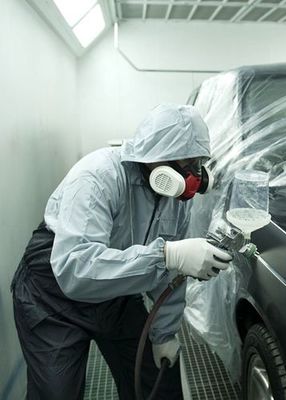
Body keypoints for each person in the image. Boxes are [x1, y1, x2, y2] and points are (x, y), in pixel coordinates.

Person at [11, 104, 232, 399]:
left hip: (116, 291)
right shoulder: (98, 176)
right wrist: (166, 255)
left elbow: (170, 274)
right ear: (157, 155)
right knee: (56, 393)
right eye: (188, 162)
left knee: (158, 381)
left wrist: (163, 334)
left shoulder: (175, 199)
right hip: (52, 295)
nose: (194, 175)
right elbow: (76, 269)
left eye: (199, 163)